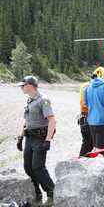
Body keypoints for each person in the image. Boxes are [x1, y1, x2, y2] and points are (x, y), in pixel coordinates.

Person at [16, 76, 55, 206]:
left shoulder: (43, 100)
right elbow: (25, 120)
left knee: (37, 167)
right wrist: (20, 137)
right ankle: (36, 192)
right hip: (29, 138)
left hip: (40, 138)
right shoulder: (28, 100)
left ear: (31, 85)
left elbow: (51, 120)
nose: (21, 87)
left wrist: (47, 141)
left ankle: (52, 192)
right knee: (28, 167)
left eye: (23, 85)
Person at [78, 66, 104, 156]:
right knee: (87, 142)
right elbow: (82, 102)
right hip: (87, 118)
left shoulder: (101, 87)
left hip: (95, 119)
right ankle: (81, 161)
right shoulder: (86, 86)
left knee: (95, 144)